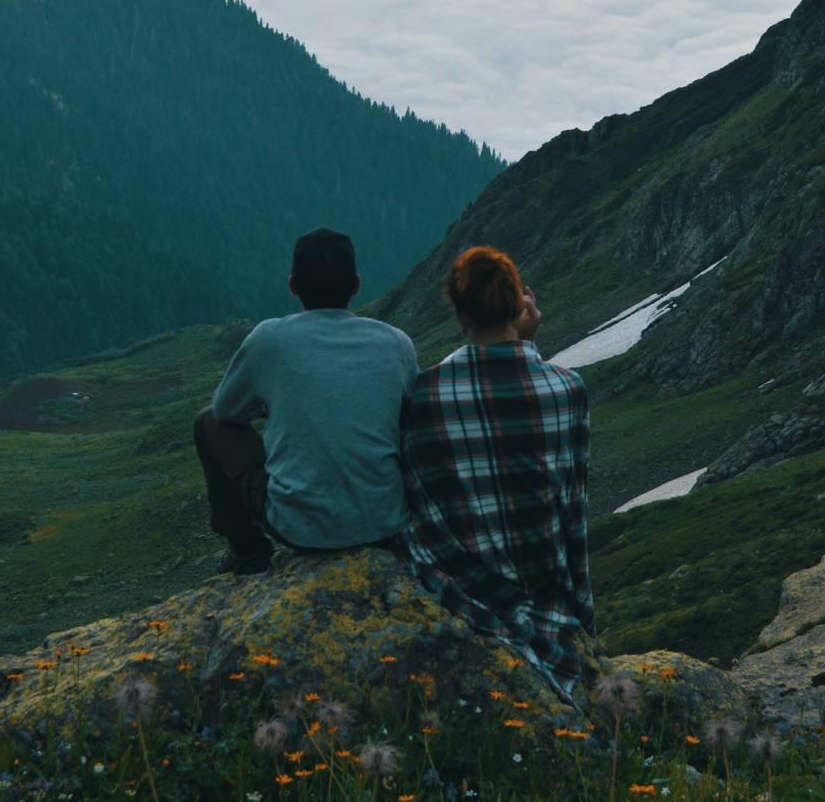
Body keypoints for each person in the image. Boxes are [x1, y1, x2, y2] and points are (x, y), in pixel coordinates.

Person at [398, 246, 593, 698]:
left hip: (469, 591)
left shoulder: (424, 396)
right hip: (548, 595)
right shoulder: (568, 389)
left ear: (460, 316)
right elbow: (573, 508)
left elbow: (416, 502)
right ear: (520, 303)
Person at [194, 227, 420, 575]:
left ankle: (248, 551)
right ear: (357, 284)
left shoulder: (269, 339)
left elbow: (226, 411)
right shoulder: (396, 343)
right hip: (385, 524)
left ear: (293, 286)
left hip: (301, 530)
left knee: (207, 422)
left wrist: (271, 406)